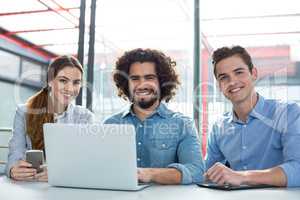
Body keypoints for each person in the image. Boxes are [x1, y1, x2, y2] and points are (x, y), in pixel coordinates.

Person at [104, 48, 204, 185]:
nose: (142, 84)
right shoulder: (110, 124)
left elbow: (196, 172)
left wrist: (150, 174)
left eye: (149, 78)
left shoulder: (182, 124)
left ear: (161, 82)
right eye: (134, 78)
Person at [204, 45, 300, 187]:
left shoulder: (288, 113)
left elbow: (297, 169)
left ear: (253, 73)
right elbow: (208, 173)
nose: (232, 82)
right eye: (224, 78)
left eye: (239, 72)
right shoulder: (219, 127)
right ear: (219, 86)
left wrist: (242, 177)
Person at [6, 55, 94, 182]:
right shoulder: (24, 112)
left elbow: (87, 162)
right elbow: (15, 154)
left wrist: (60, 173)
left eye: (76, 82)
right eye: (63, 80)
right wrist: (12, 169)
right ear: (50, 81)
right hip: (31, 186)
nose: (70, 88)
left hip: (67, 186)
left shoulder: (85, 117)